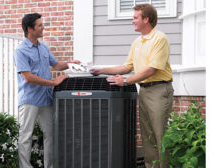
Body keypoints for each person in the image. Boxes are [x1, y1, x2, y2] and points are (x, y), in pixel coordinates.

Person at [91, 4, 173, 168]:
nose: (132, 21)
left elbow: (151, 69)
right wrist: (101, 70)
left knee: (160, 135)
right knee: (148, 136)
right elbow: (127, 67)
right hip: (143, 91)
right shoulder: (137, 42)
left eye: (136, 17)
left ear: (146, 19)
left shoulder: (159, 39)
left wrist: (127, 81)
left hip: (158, 90)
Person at [13, 13, 80, 168]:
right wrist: (52, 82)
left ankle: (49, 166)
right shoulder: (21, 51)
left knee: (51, 134)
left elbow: (56, 65)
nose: (43, 27)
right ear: (30, 29)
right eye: (40, 25)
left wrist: (71, 63)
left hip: (45, 99)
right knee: (25, 136)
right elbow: (28, 77)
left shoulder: (43, 47)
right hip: (29, 100)